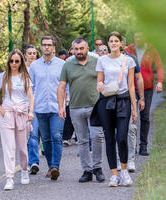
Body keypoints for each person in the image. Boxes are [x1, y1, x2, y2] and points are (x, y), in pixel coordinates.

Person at [57, 38, 105, 183]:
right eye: (76, 49)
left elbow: (105, 79)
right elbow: (61, 87)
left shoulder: (97, 61)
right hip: (75, 107)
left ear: (87, 48)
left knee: (97, 137)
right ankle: (87, 170)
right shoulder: (67, 65)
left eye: (82, 48)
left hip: (95, 106)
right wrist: (60, 107)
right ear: (72, 50)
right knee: (82, 140)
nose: (79, 51)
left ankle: (97, 167)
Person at [96, 31, 137, 187]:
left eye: (116, 41)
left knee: (121, 137)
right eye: (110, 41)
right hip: (106, 102)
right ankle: (114, 174)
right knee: (110, 139)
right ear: (107, 44)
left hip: (123, 100)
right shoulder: (102, 61)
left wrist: (134, 107)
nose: (113, 43)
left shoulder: (128, 61)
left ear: (121, 44)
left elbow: (131, 85)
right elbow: (99, 82)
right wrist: (99, 85)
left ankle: (124, 171)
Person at [0, 49, 34, 190]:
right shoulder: (2, 76)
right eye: (11, 61)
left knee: (22, 148)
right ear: (8, 62)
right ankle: (9, 177)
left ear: (21, 61)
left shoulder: (25, 77)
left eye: (17, 61)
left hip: (22, 113)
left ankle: (24, 170)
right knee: (8, 148)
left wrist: (31, 112)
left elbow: (30, 96)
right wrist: (3, 112)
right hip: (8, 113)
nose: (14, 63)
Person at [29, 36, 65, 180]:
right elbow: (30, 87)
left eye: (49, 45)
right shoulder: (35, 66)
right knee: (46, 139)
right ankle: (51, 167)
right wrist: (30, 107)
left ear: (54, 47)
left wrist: (64, 104)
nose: (47, 47)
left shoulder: (62, 64)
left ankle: (56, 166)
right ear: (41, 47)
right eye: (44, 45)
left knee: (56, 137)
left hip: (57, 108)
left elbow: (65, 85)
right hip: (40, 108)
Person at [126, 32, 164, 156]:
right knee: (131, 117)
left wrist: (159, 82)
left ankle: (143, 146)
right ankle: (132, 146)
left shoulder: (151, 50)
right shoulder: (129, 50)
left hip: (147, 88)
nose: (138, 39)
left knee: (145, 116)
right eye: (136, 37)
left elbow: (159, 67)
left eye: (141, 37)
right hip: (130, 87)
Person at [116, 36, 145, 172]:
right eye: (114, 41)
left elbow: (139, 78)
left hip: (130, 98)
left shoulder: (131, 59)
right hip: (114, 99)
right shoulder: (108, 59)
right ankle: (119, 159)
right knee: (118, 132)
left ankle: (131, 160)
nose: (117, 44)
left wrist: (142, 98)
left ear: (124, 44)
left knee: (131, 129)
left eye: (119, 41)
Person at [23, 45, 41, 175]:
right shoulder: (21, 70)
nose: (32, 55)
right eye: (29, 53)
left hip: (39, 105)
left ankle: (34, 162)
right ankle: (30, 162)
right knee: (28, 135)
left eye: (34, 53)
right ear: (25, 55)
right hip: (24, 106)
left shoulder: (41, 67)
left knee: (36, 134)